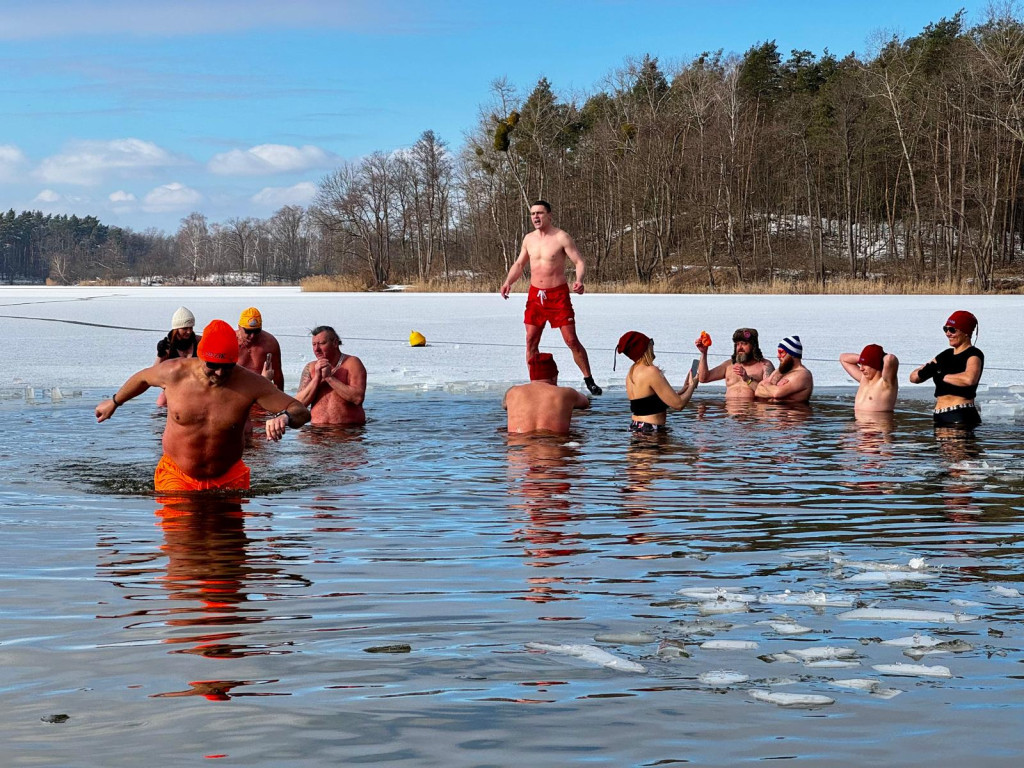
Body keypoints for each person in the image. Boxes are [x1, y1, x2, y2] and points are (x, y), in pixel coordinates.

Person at [95, 319, 310, 492]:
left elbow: (300, 411)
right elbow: (142, 378)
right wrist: (114, 402)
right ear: (201, 357)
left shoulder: (249, 383)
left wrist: (284, 417)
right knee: (182, 543)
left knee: (227, 546)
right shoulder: (174, 372)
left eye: (227, 366)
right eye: (213, 365)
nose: (220, 372)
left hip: (229, 478)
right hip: (177, 476)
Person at [500, 200, 602, 396]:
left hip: (558, 296)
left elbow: (579, 261)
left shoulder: (561, 237)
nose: (535, 217)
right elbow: (520, 264)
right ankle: (535, 382)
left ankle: (589, 380)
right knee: (531, 340)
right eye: (532, 214)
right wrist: (508, 282)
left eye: (539, 213)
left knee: (571, 340)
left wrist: (579, 280)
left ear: (549, 215)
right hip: (535, 296)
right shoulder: (529, 239)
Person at [909, 310, 984, 428]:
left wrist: (942, 375)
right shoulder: (945, 355)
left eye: (952, 330)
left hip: (960, 415)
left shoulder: (973, 354)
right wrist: (927, 369)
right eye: (946, 329)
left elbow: (969, 379)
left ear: (966, 332)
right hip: (940, 416)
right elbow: (914, 378)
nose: (948, 333)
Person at [617, 331, 698, 434]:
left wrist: (684, 389)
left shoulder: (631, 374)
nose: (653, 346)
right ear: (645, 348)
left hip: (637, 428)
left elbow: (648, 404)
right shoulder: (651, 371)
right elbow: (679, 404)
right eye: (651, 342)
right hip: (651, 431)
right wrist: (692, 386)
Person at [502, 353, 590, 435]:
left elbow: (505, 405)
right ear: (554, 376)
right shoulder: (566, 393)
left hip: (518, 447)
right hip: (555, 444)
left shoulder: (512, 392)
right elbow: (585, 403)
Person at [296, 325, 367, 426]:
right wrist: (317, 378)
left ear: (335, 343)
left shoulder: (352, 363)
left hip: (348, 431)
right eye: (314, 344)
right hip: (316, 432)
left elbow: (357, 398)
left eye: (322, 343)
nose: (316, 349)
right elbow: (298, 404)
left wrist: (329, 378)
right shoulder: (311, 367)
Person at [696, 327, 774, 399]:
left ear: (753, 346)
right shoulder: (729, 365)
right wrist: (704, 353)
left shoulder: (765, 365)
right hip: (729, 412)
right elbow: (703, 378)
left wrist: (747, 379)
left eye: (744, 343)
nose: (740, 347)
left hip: (752, 412)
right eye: (737, 344)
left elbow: (768, 393)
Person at [155, 306, 200, 408]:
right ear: (176, 328)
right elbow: (155, 373)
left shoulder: (199, 342)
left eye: (191, 327)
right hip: (173, 387)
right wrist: (160, 354)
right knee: (161, 405)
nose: (189, 331)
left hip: (196, 388)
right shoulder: (167, 345)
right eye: (185, 328)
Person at [840, 344, 899, 412]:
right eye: (861, 364)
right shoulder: (863, 378)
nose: (861, 368)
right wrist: (864, 358)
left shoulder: (886, 383)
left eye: (865, 364)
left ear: (875, 364)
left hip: (878, 421)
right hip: (858, 421)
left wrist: (877, 358)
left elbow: (890, 358)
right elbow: (843, 358)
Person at [236, 307, 284, 390]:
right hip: (235, 392)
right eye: (248, 331)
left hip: (259, 392)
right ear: (239, 327)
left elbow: (278, 376)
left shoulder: (270, 343)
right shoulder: (229, 341)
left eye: (256, 331)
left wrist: (282, 400)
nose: (252, 336)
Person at [755, 335, 813, 403]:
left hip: (795, 411)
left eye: (781, 352)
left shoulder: (803, 375)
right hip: (775, 411)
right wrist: (774, 389)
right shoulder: (779, 371)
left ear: (793, 354)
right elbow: (757, 391)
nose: (778, 356)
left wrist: (767, 386)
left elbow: (776, 394)